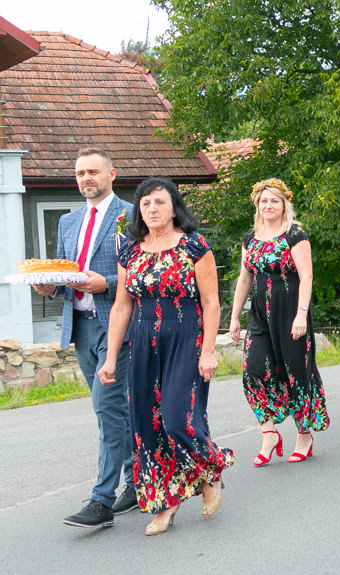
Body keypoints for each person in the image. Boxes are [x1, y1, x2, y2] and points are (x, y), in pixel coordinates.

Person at [98, 178, 234, 536]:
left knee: (178, 420)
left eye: (160, 202)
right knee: (146, 424)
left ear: (174, 206)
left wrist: (208, 351)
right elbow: (121, 307)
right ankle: (164, 503)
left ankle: (209, 471)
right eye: (146, 204)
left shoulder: (194, 246)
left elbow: (211, 302)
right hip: (142, 341)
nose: (153, 209)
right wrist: (110, 358)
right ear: (138, 211)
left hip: (185, 336)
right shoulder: (130, 250)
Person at [32, 148, 136, 529]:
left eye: (93, 171)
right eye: (80, 173)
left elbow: (143, 271)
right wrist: (49, 286)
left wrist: (107, 282)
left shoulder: (132, 214)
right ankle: (138, 481)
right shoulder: (68, 221)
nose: (86, 178)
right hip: (80, 325)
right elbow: (66, 274)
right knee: (113, 411)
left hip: (117, 325)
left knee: (107, 409)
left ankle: (102, 500)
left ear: (112, 172)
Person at [229, 179, 329, 467]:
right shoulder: (250, 237)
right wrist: (235, 317)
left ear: (285, 204)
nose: (268, 205)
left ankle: (303, 434)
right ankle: (269, 432)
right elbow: (245, 278)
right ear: (257, 205)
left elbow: (307, 277)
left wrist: (301, 313)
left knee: (296, 371)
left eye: (274, 200)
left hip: (290, 310)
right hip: (260, 312)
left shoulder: (294, 235)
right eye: (263, 201)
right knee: (253, 370)